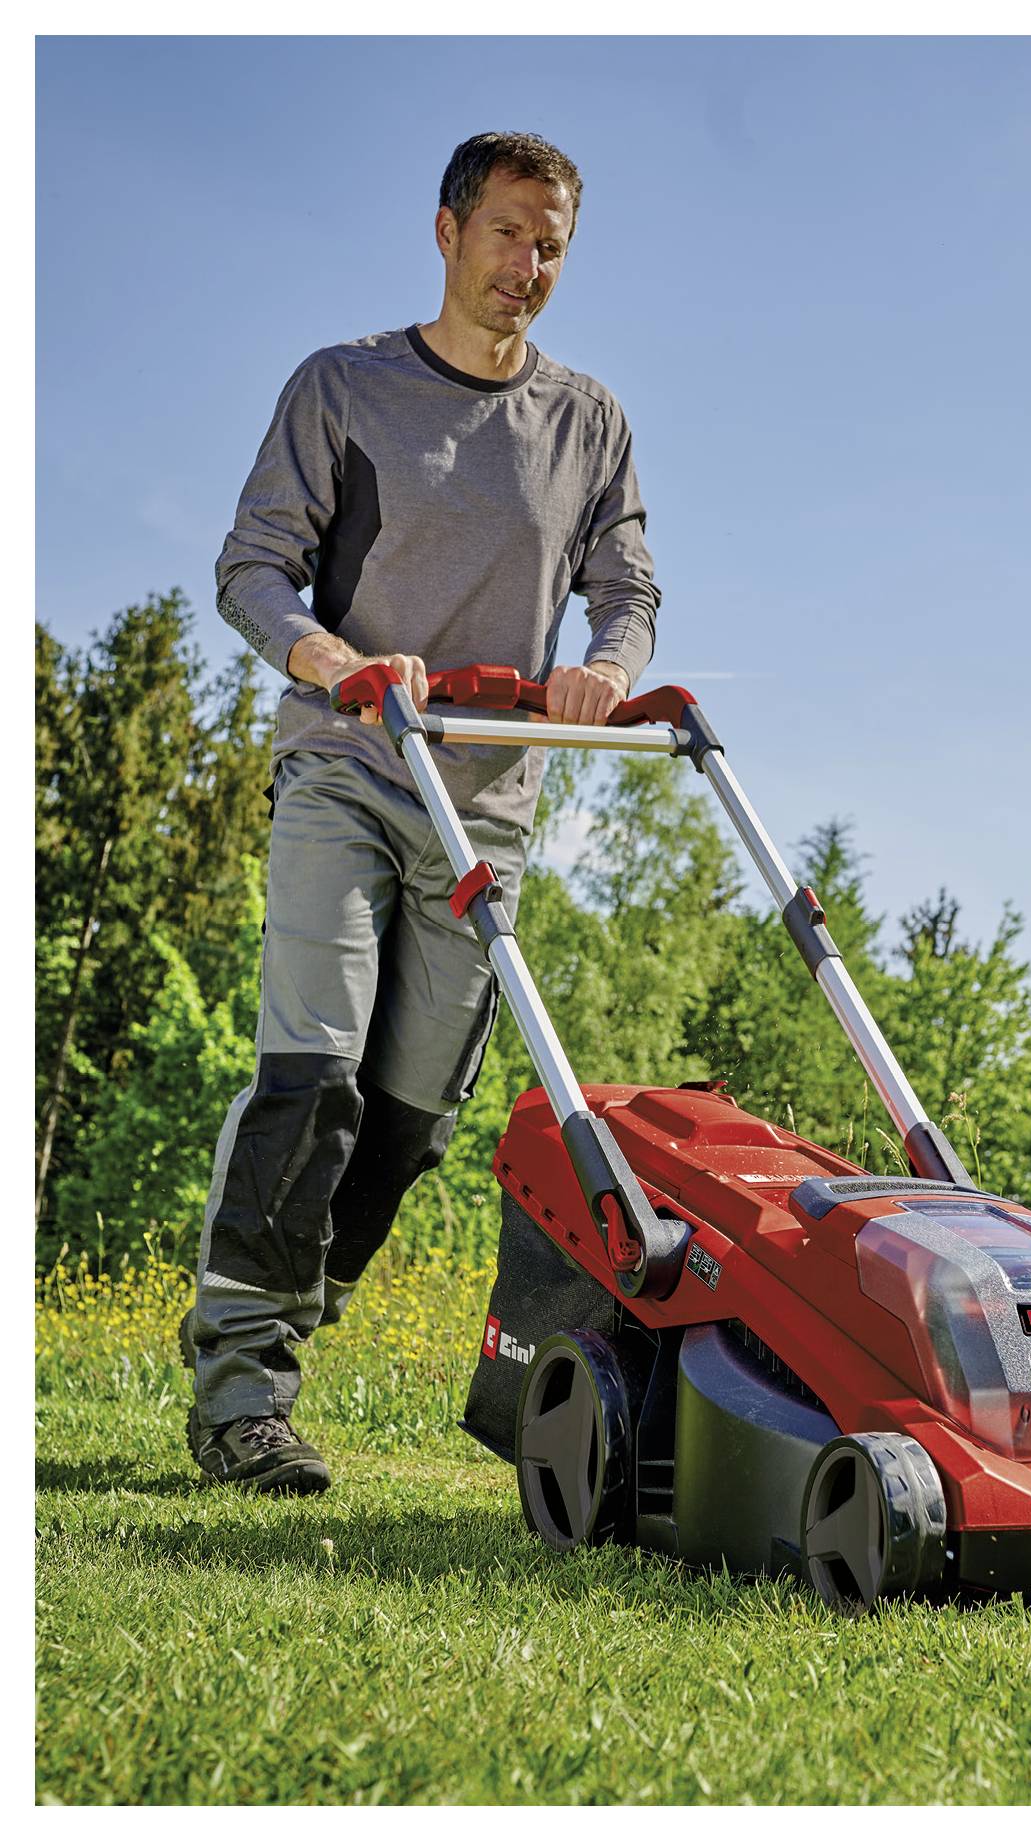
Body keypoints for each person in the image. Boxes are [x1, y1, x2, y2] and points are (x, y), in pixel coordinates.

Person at [182, 130, 660, 1491]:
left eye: (553, 242)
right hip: (347, 768)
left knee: (407, 1120)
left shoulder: (588, 421)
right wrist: (334, 664)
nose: (529, 266)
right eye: (508, 233)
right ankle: (242, 1382)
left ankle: (266, 1302)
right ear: (446, 231)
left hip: (486, 806)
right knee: (313, 1077)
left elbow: (627, 588)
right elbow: (254, 567)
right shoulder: (343, 387)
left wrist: (604, 673)